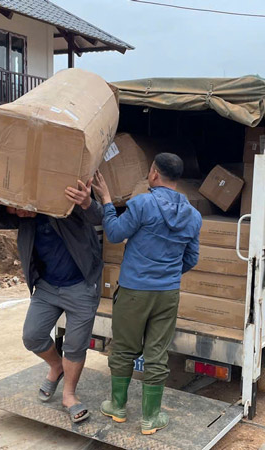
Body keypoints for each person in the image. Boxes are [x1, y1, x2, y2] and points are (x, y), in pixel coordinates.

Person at [0, 177, 103, 423]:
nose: (15, 212)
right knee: (32, 336)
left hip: (80, 285)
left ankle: (69, 395)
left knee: (76, 345)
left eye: (16, 206)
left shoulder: (64, 206)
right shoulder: (22, 218)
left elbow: (98, 217)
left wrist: (87, 202)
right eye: (11, 207)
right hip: (46, 286)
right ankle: (56, 366)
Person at [93, 153, 202, 435]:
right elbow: (191, 258)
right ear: (176, 178)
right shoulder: (193, 215)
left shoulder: (142, 204)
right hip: (167, 294)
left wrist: (106, 200)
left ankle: (117, 407)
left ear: (154, 173)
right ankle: (150, 419)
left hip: (133, 291)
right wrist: (167, 273)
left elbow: (115, 234)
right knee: (157, 354)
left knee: (125, 349)